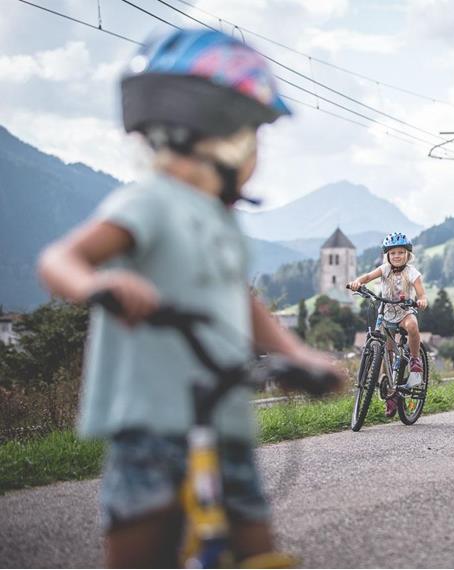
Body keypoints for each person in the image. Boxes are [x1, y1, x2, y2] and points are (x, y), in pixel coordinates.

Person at [38, 28, 341, 568]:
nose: (257, 150)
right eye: (253, 133)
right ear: (216, 133)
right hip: (151, 421)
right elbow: (61, 260)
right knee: (142, 549)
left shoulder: (219, 218)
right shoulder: (151, 202)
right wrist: (97, 285)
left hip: (221, 414)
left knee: (255, 544)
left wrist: (296, 354)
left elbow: (241, 302)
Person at [348, 233, 428, 416]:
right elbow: (368, 276)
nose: (397, 256)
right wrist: (357, 282)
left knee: (413, 326)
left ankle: (415, 362)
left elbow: (421, 294)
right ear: (387, 256)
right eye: (393, 253)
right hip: (386, 315)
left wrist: (422, 300)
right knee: (387, 354)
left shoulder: (412, 273)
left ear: (408, 254)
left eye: (401, 252)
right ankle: (390, 395)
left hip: (404, 312)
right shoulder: (384, 269)